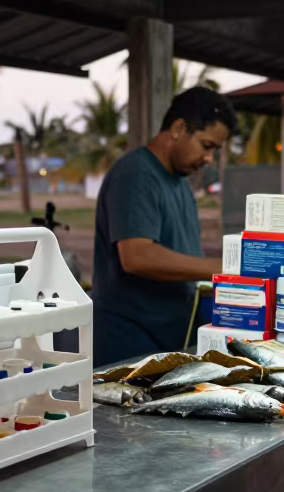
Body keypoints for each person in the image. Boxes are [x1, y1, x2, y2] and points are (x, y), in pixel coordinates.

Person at [91, 86, 237, 365]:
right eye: (206, 146)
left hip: (167, 337)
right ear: (179, 128)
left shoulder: (180, 182)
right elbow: (137, 256)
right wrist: (224, 268)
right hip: (128, 341)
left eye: (215, 151)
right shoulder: (135, 174)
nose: (208, 159)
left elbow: (181, 255)